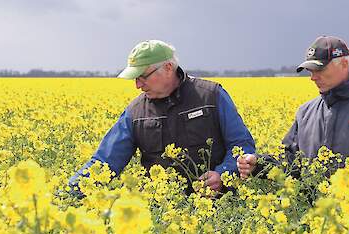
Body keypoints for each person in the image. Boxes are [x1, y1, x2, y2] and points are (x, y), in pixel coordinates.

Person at [70, 40, 255, 193]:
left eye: (142, 76)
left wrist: (222, 174)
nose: (137, 85)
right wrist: (65, 195)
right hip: (161, 214)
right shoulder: (135, 112)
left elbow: (241, 144)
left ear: (168, 68)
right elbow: (105, 162)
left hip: (216, 208)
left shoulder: (211, 95)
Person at [238, 35, 349, 179]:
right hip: (315, 215)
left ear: (344, 64)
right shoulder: (305, 113)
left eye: (319, 69)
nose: (313, 77)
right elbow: (290, 164)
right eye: (310, 70)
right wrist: (258, 164)